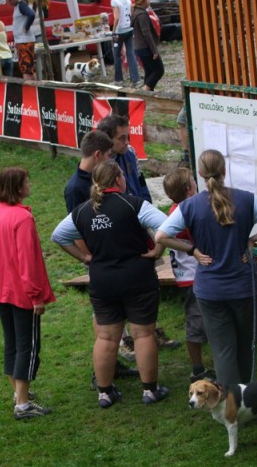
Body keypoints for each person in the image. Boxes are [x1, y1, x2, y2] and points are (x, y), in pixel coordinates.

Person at [156, 149, 257, 386]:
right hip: (243, 287)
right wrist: (252, 239)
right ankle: (245, 396)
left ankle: (231, 407)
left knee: (223, 350)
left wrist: (192, 250)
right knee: (245, 346)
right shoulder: (246, 199)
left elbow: (161, 236)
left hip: (210, 290)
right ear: (224, 171)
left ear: (199, 174)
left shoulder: (189, 207)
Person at [52, 161, 169, 408]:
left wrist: (84, 257)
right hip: (138, 278)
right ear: (118, 179)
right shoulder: (134, 204)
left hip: (102, 281)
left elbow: (58, 236)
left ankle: (104, 393)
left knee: (105, 338)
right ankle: (150, 390)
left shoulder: (82, 211)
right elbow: (167, 225)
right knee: (143, 334)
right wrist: (158, 250)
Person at [0, 167, 55, 420]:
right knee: (27, 346)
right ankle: (22, 404)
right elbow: (27, 261)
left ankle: (18, 393)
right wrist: (36, 296)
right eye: (26, 181)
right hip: (21, 294)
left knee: (11, 342)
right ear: (17, 188)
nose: (30, 184)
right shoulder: (22, 219)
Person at [96, 114, 179, 356]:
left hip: (138, 220)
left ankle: (149, 330)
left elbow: (141, 184)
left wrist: (147, 212)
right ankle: (124, 339)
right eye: (121, 138)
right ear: (107, 140)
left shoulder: (129, 154)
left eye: (128, 135)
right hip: (116, 230)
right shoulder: (104, 165)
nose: (126, 141)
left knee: (147, 279)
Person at [63, 130, 139, 387]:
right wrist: (88, 256)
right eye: (108, 156)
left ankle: (112, 364)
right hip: (100, 262)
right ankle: (103, 373)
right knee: (103, 321)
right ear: (98, 155)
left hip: (112, 260)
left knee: (112, 320)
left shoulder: (90, 181)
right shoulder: (76, 188)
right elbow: (75, 227)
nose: (110, 159)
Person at [162, 167, 217, 382]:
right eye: (194, 181)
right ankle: (198, 369)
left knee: (199, 320)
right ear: (188, 188)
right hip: (195, 276)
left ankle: (201, 366)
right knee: (197, 323)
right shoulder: (187, 212)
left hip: (188, 275)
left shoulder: (174, 209)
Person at [131, 0, 164, 91]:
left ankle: (147, 96)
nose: (149, 1)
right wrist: (154, 50)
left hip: (139, 48)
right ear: (143, 1)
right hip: (146, 48)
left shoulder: (136, 12)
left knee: (149, 72)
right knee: (159, 70)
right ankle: (144, 91)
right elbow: (146, 33)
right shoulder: (142, 15)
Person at [4, 0, 36, 80]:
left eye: (10, 0)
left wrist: (26, 27)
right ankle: (35, 89)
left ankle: (29, 91)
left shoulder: (21, 5)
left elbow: (31, 14)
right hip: (23, 41)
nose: (9, 3)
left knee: (25, 70)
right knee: (30, 69)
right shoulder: (18, 7)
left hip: (24, 42)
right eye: (8, 1)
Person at [110, 0, 140, 86]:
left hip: (120, 30)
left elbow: (117, 17)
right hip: (129, 28)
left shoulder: (114, 1)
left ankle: (118, 80)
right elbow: (131, 13)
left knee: (117, 55)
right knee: (131, 53)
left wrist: (113, 31)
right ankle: (135, 79)